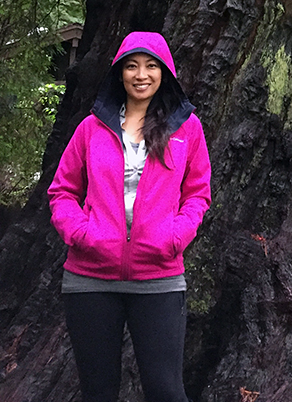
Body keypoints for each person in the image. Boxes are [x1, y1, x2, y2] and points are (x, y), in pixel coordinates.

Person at [48, 31, 211, 402]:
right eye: (132, 66)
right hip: (90, 278)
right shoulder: (91, 128)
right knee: (98, 391)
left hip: (158, 278)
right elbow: (62, 191)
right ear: (119, 73)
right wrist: (82, 234)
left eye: (151, 66)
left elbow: (198, 194)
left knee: (166, 391)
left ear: (164, 72)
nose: (141, 75)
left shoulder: (187, 130)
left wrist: (174, 236)